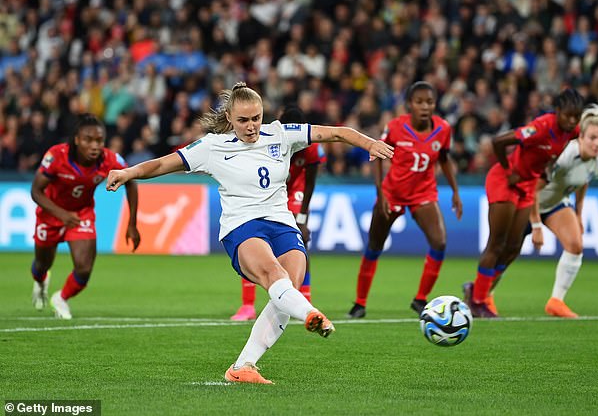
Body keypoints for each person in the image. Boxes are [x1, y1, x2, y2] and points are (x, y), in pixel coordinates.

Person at [106, 82, 393, 384]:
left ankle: (243, 366)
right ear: (229, 117)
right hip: (243, 226)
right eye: (243, 120)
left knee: (288, 288)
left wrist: (369, 143)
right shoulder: (212, 146)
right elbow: (165, 163)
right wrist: (129, 172)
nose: (252, 126)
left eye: (256, 117)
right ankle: (310, 313)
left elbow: (336, 132)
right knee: (275, 276)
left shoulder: (280, 134)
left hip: (283, 223)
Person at [463, 88, 585, 318]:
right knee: (497, 243)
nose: (571, 121)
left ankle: (475, 289)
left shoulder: (573, 131)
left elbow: (553, 152)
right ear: (557, 111)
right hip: (506, 180)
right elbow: (498, 141)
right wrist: (509, 169)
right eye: (568, 115)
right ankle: (478, 301)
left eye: (576, 117)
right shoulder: (540, 127)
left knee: (513, 247)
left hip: (528, 185)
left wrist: (546, 171)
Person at [347, 81, 463, 319]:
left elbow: (444, 158)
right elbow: (378, 155)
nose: (425, 106)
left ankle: (420, 299)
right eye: (419, 102)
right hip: (392, 194)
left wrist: (455, 191)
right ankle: (360, 303)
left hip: (424, 194)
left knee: (439, 242)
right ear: (409, 104)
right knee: (374, 246)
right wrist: (380, 194)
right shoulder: (395, 128)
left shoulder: (443, 129)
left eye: (429, 102)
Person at [30, 113, 141, 320]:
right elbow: (36, 191)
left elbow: (132, 181)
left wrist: (132, 223)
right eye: (89, 140)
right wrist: (61, 214)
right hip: (51, 213)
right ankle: (40, 280)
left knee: (84, 268)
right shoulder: (56, 156)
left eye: (99, 140)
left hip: (82, 213)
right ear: (77, 140)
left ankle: (61, 298)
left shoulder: (110, 159)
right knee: (41, 264)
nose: (95, 145)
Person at [230, 105, 326, 321]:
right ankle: (248, 306)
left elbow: (310, 183)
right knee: (252, 240)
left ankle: (304, 297)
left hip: (294, 192)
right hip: (269, 190)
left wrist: (302, 218)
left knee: (300, 240)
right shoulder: (268, 138)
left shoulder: (311, 147)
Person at [523, 105, 598, 317]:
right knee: (506, 251)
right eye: (593, 138)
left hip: (553, 204)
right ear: (581, 137)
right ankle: (483, 296)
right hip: (526, 202)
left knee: (575, 244)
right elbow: (534, 188)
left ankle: (556, 301)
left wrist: (578, 214)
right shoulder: (565, 155)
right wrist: (535, 225)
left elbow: (583, 181)